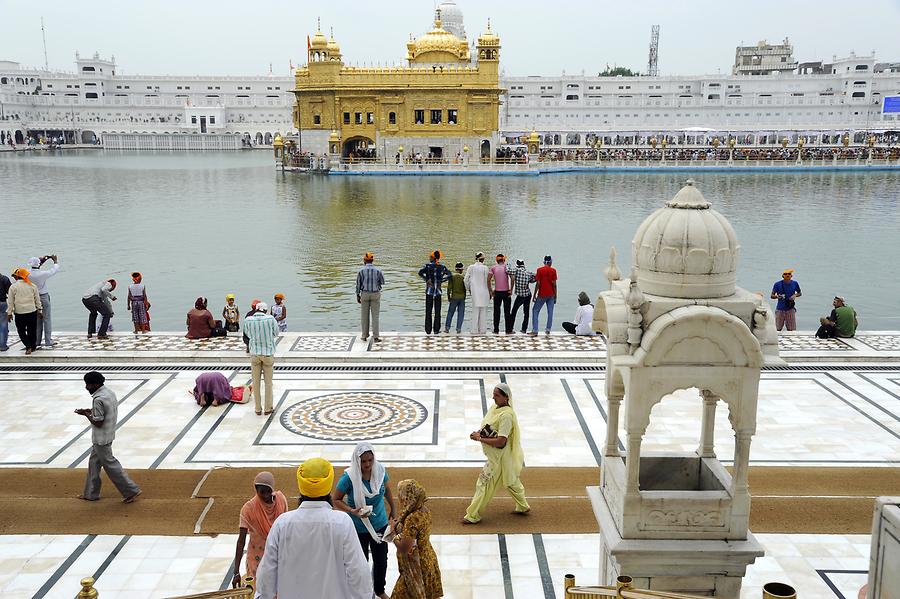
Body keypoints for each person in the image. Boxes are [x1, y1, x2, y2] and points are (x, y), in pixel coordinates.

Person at [256, 457, 372, 599]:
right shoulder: (342, 523)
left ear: (301, 487)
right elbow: (358, 573)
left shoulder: (282, 524)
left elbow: (266, 575)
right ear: (328, 487)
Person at [332, 443, 396, 599]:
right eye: (363, 461)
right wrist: (352, 511)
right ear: (357, 461)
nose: (367, 465)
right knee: (361, 563)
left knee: (381, 560)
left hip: (379, 524)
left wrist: (393, 509)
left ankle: (379, 590)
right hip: (358, 527)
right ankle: (363, 593)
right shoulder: (349, 477)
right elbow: (335, 499)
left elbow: (386, 490)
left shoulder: (380, 471)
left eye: (370, 460)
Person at [464, 383, 530, 524]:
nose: (493, 397)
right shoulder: (496, 408)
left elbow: (501, 441)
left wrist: (480, 438)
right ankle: (523, 506)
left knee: (483, 483)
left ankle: (472, 515)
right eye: (493, 394)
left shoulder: (506, 416)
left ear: (506, 397)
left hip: (499, 458)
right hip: (500, 457)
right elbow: (490, 427)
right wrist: (479, 433)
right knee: (511, 480)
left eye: (497, 395)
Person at [75, 371, 142, 503]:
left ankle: (131, 490)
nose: (86, 387)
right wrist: (92, 411)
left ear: (96, 384)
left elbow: (98, 422)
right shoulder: (109, 393)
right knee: (93, 464)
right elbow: (105, 412)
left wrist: (86, 414)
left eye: (88, 384)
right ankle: (90, 493)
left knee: (111, 465)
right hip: (108, 434)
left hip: (101, 439)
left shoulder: (98, 399)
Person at [232, 471, 288, 588]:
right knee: (259, 590)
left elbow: (286, 530)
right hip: (256, 560)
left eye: (269, 491)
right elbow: (241, 541)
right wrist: (236, 571)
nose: (266, 495)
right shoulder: (249, 509)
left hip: (277, 556)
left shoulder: (281, 500)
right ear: (256, 490)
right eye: (262, 492)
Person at [391, 479, 443, 599]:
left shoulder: (412, 518)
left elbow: (405, 548)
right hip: (428, 558)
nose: (400, 499)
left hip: (416, 566)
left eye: (401, 495)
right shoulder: (424, 510)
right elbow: (414, 534)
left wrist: (393, 535)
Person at [244, 301, 279, 416]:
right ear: (265, 310)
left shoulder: (248, 320)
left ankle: (258, 408)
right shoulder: (270, 319)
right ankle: (268, 408)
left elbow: (248, 335)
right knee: (268, 383)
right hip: (268, 354)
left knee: (256, 382)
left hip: (254, 354)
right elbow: (276, 333)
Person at [6, 268, 42, 355]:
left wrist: (9, 313)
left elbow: (10, 301)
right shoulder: (32, 286)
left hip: (19, 313)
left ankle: (28, 346)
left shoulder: (13, 287)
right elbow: (37, 299)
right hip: (31, 311)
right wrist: (40, 310)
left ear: (18, 276)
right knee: (32, 330)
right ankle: (32, 346)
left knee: (21, 331)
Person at [28, 254, 60, 348]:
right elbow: (54, 270)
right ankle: (48, 341)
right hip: (43, 297)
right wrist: (55, 261)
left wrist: (43, 260)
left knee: (37, 319)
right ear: (39, 265)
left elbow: (36, 266)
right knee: (47, 319)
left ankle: (37, 341)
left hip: (33, 298)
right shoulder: (43, 274)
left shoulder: (27, 273)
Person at [418, 250, 451, 335]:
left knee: (428, 311)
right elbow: (449, 275)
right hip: (438, 292)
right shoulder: (442, 266)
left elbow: (420, 273)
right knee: (437, 311)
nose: (429, 258)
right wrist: (441, 280)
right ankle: (436, 330)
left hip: (429, 291)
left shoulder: (427, 266)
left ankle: (428, 330)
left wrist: (427, 280)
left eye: (430, 256)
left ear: (433, 257)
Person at [357, 252, 385, 343]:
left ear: (365, 260)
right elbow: (382, 282)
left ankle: (364, 336)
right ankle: (376, 337)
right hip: (375, 294)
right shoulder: (378, 271)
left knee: (364, 316)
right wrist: (377, 287)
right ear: (372, 260)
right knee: (375, 316)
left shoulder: (361, 271)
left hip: (364, 294)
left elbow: (358, 284)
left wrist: (358, 295)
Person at [464, 252, 491, 334]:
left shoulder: (471, 267)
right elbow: (487, 280)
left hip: (475, 292)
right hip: (484, 291)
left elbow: (465, 280)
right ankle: (482, 330)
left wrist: (469, 289)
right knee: (483, 311)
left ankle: (474, 330)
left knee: (475, 311)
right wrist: (490, 291)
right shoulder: (485, 268)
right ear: (482, 259)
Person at [531, 256, 558, 336]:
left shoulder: (539, 270)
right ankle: (548, 329)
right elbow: (554, 284)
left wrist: (534, 294)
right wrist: (556, 295)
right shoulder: (553, 270)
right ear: (550, 262)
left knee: (535, 311)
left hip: (542, 294)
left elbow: (538, 283)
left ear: (544, 262)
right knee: (550, 312)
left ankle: (535, 330)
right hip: (551, 294)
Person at [489, 254, 513, 334]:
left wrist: (491, 290)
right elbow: (512, 278)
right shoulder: (507, 267)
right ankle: (508, 330)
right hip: (506, 292)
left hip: (497, 292)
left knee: (496, 312)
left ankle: (496, 330)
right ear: (504, 260)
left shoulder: (493, 268)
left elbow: (488, 279)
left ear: (496, 260)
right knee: (507, 312)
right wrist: (511, 290)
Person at [509, 259, 535, 334]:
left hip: (520, 296)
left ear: (517, 264)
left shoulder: (516, 271)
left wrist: (508, 265)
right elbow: (534, 279)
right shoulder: (528, 273)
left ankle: (510, 328)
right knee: (526, 313)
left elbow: (508, 270)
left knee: (514, 312)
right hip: (527, 295)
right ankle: (524, 329)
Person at [444, 262, 466, 334]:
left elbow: (449, 288)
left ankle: (447, 328)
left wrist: (448, 296)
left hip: (454, 297)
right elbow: (465, 288)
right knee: (461, 313)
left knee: (450, 313)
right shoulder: (463, 277)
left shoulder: (452, 277)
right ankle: (458, 328)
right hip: (462, 298)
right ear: (461, 269)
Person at [0, 270, 10, 351]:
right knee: (3, 324)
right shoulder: (4, 279)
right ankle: (2, 345)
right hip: (2, 303)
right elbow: (10, 292)